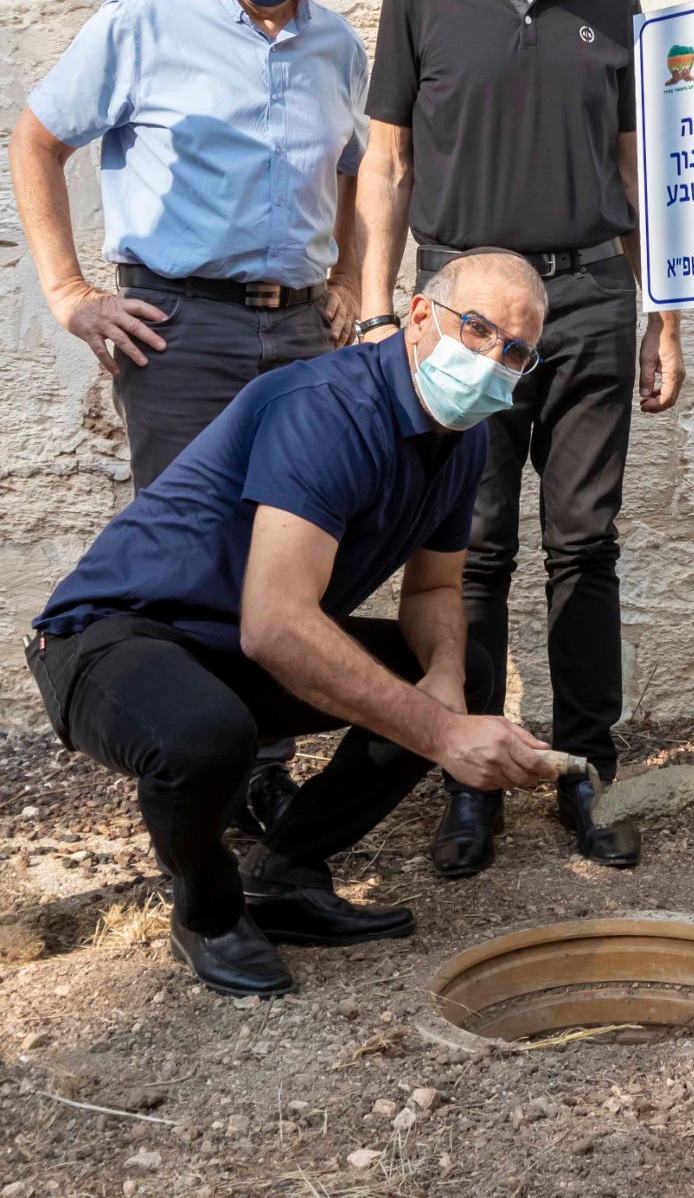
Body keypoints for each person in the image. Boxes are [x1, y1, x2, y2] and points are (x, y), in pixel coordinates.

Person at [26, 251, 558, 997]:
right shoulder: (327, 408)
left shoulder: (463, 439)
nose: (491, 361)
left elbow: (436, 587)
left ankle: (287, 876)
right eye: (476, 330)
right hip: (109, 637)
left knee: (455, 671)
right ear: (416, 317)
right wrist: (442, 735)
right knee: (208, 735)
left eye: (515, 351)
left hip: (231, 648)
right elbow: (275, 626)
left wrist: (442, 684)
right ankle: (208, 915)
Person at [10, 0, 369, 839]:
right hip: (180, 333)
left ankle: (264, 776)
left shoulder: (339, 44)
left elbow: (360, 173)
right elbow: (37, 139)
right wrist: (69, 288)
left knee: (293, 556)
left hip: (298, 335)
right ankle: (197, 780)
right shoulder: (143, 23)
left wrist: (348, 279)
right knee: (194, 562)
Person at [354, 0, 685, 879]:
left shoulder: (616, 0)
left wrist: (662, 310)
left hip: (589, 299)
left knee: (585, 544)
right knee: (471, 553)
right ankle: (472, 780)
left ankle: (586, 768)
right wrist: (370, 312)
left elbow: (640, 169)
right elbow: (387, 168)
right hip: (462, 315)